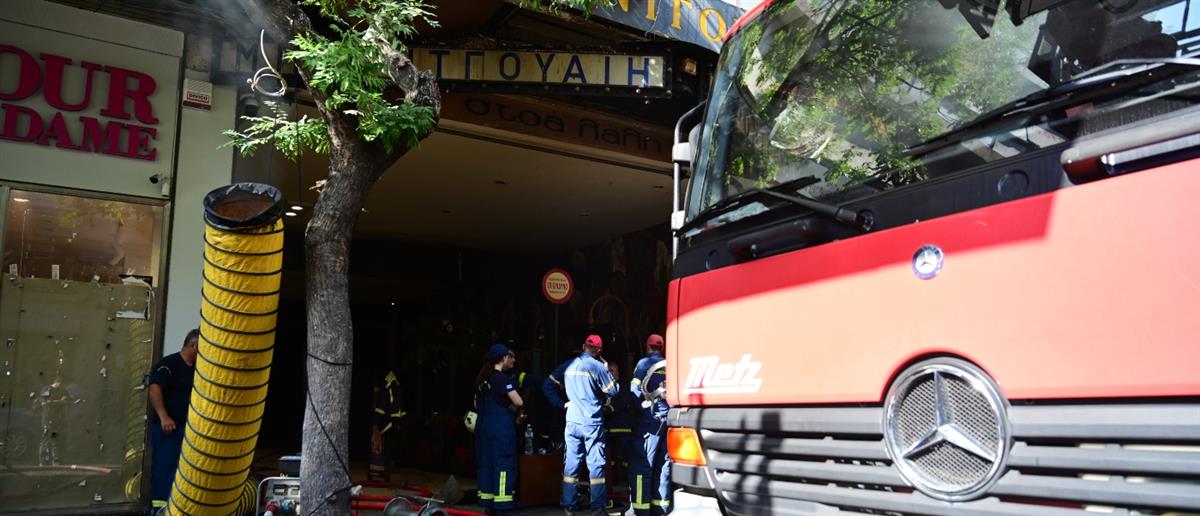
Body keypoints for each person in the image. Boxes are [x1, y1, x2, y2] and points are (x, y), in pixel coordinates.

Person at [561, 335, 619, 515]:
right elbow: (613, 391)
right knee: (595, 464)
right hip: (591, 421)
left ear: (583, 346)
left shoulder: (570, 365)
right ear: (599, 351)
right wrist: (606, 370)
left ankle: (568, 506)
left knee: (571, 464)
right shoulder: (597, 366)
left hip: (572, 420)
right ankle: (598, 508)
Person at [147, 328, 199, 511]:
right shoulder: (169, 364)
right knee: (166, 468)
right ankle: (160, 509)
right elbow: (154, 388)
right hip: (170, 429)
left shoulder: (198, 369)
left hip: (190, 429)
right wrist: (164, 417)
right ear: (193, 344)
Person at [474, 344, 523, 515]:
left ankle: (487, 502)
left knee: (486, 463)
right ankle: (503, 503)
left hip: (483, 425)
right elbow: (518, 401)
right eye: (510, 357)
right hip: (500, 427)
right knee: (503, 463)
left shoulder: (481, 378)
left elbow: (476, 404)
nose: (512, 360)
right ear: (503, 358)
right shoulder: (501, 378)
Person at [630, 334, 671, 515]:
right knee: (663, 464)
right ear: (662, 347)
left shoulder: (644, 363)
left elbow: (634, 389)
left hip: (650, 421)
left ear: (647, 346)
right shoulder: (670, 365)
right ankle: (661, 507)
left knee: (642, 465)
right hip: (669, 421)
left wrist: (639, 409)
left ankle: (641, 510)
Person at [604, 362, 637, 515]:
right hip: (608, 432)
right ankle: (609, 491)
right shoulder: (603, 387)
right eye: (609, 370)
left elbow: (623, 402)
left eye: (613, 370)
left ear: (618, 373)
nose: (611, 373)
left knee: (626, 460)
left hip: (623, 430)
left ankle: (629, 491)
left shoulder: (623, 387)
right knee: (607, 462)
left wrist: (609, 409)